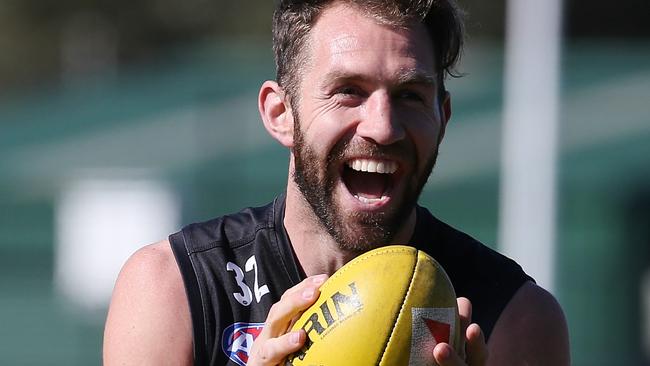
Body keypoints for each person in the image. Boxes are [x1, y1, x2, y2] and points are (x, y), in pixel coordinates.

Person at [103, 0, 570, 365]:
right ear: (280, 113)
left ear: (442, 118)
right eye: (348, 91)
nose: (383, 127)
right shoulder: (176, 290)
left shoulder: (512, 317)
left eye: (410, 95)